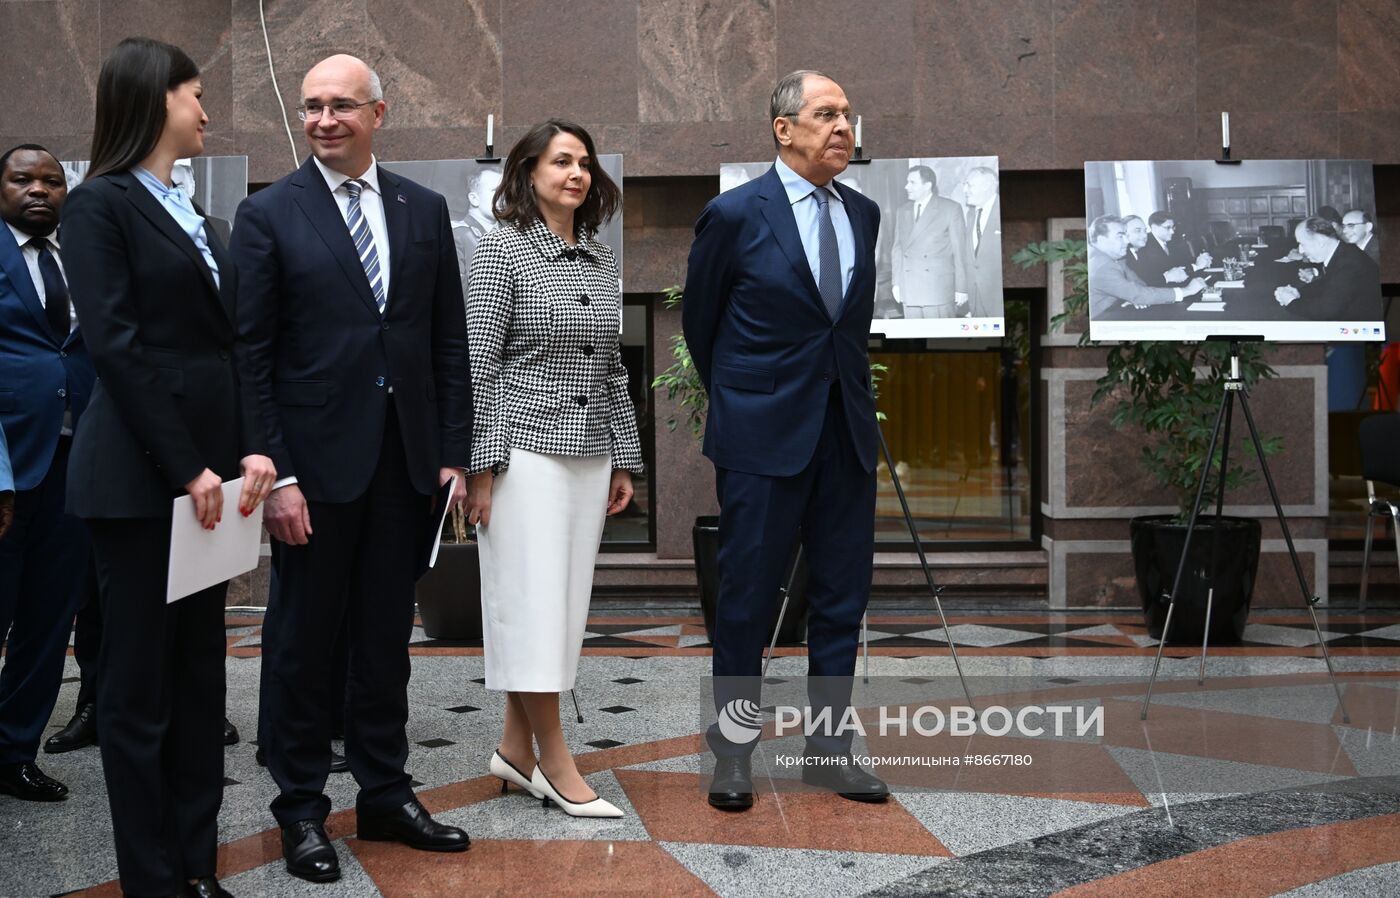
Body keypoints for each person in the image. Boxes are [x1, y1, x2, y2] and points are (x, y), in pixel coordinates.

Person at [230, 53, 473, 884]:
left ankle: (385, 792)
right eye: (311, 107)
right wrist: (280, 476)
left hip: (404, 468)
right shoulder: (268, 214)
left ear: (379, 112)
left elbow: (446, 341)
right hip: (313, 476)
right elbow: (250, 357)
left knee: (384, 642)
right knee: (301, 644)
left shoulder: (423, 208)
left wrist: (451, 456)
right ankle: (300, 808)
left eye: (340, 106)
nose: (324, 120)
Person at [60, 36, 278, 898]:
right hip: (142, 483)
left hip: (211, 485)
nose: (206, 111)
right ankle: (151, 881)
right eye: (195, 95)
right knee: (138, 691)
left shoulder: (204, 218)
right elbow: (116, 347)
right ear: (156, 101)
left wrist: (251, 451)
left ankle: (196, 868)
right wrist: (188, 467)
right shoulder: (98, 207)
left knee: (198, 689)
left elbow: (235, 351)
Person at [683, 69, 888, 812]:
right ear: (784, 128)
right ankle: (733, 753)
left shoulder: (863, 214)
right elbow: (700, 329)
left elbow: (848, 329)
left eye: (848, 114)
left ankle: (829, 752)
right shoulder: (735, 215)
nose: (844, 127)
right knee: (745, 599)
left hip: (845, 438)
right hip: (762, 439)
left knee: (842, 599)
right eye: (827, 114)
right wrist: (750, 401)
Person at [464, 119, 642, 818]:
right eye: (561, 161)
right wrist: (483, 466)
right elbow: (478, 365)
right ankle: (556, 762)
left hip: (590, 453)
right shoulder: (500, 251)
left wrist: (625, 455)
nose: (577, 173)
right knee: (532, 607)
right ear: (528, 172)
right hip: (524, 452)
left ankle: (512, 750)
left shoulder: (602, 260)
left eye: (585, 164)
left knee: (558, 610)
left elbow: (613, 368)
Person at [0, 143, 96, 802]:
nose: (39, 189)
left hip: (76, 468)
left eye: (52, 180)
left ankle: (14, 753)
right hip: (6, 470)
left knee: (47, 620)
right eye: (22, 179)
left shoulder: (82, 260)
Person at [1087, 215, 1205, 319]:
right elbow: (1139, 294)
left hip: (1114, 311)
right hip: (1101, 321)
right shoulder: (1102, 266)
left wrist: (1133, 296)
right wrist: (1187, 291)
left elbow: (1139, 284)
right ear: (1101, 240)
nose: (1127, 241)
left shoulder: (1116, 259)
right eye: (1120, 236)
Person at [891, 164, 967, 318]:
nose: (906, 187)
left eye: (912, 182)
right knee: (912, 340)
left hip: (937, 291)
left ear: (927, 185)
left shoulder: (950, 209)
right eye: (907, 182)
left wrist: (962, 288)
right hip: (909, 290)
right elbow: (897, 249)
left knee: (942, 340)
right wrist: (896, 283)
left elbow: (960, 252)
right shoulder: (902, 211)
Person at [1274, 216, 1381, 321]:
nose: (1301, 251)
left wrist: (1291, 302)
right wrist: (1299, 292)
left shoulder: (1350, 264)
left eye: (1302, 244)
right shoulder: (1343, 251)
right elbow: (1326, 283)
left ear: (1320, 241)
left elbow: (1326, 311)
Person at [451, 166, 502, 293]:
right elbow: (457, 291)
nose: (504, 196)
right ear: (474, 198)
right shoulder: (457, 234)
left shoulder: (511, 235)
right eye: (496, 191)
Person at [961, 165, 1001, 319]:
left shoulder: (1000, 210)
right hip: (975, 301)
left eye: (969, 185)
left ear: (987, 186)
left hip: (997, 301)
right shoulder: (972, 214)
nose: (965, 190)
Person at [1132, 212, 1212, 286]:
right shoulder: (1144, 245)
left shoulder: (1172, 242)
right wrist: (1196, 266)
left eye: (1173, 228)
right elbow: (1164, 273)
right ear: (1154, 227)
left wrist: (1200, 260)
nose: (1172, 232)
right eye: (1168, 228)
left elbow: (1183, 263)